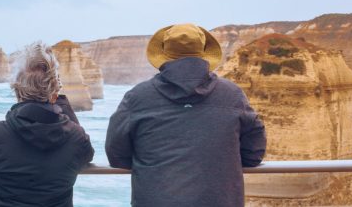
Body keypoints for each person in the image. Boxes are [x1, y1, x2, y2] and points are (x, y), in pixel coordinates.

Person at [105, 24, 266, 207]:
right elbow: (253, 154)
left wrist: (150, 162)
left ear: (164, 54)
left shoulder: (137, 97)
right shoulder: (232, 95)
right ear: (204, 52)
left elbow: (117, 156)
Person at [0, 42, 94, 207]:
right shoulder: (76, 138)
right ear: (54, 92)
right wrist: (59, 100)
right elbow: (85, 156)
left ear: (17, 90)